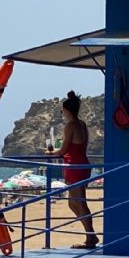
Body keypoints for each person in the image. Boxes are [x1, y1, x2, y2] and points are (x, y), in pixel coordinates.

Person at [46, 90, 98, 249]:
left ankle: (91, 237)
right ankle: (91, 235)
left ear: (67, 110)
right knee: (73, 203)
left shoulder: (71, 126)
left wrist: (50, 152)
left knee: (79, 203)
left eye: (62, 110)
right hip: (81, 164)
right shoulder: (82, 124)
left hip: (75, 166)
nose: (62, 113)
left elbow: (62, 151)